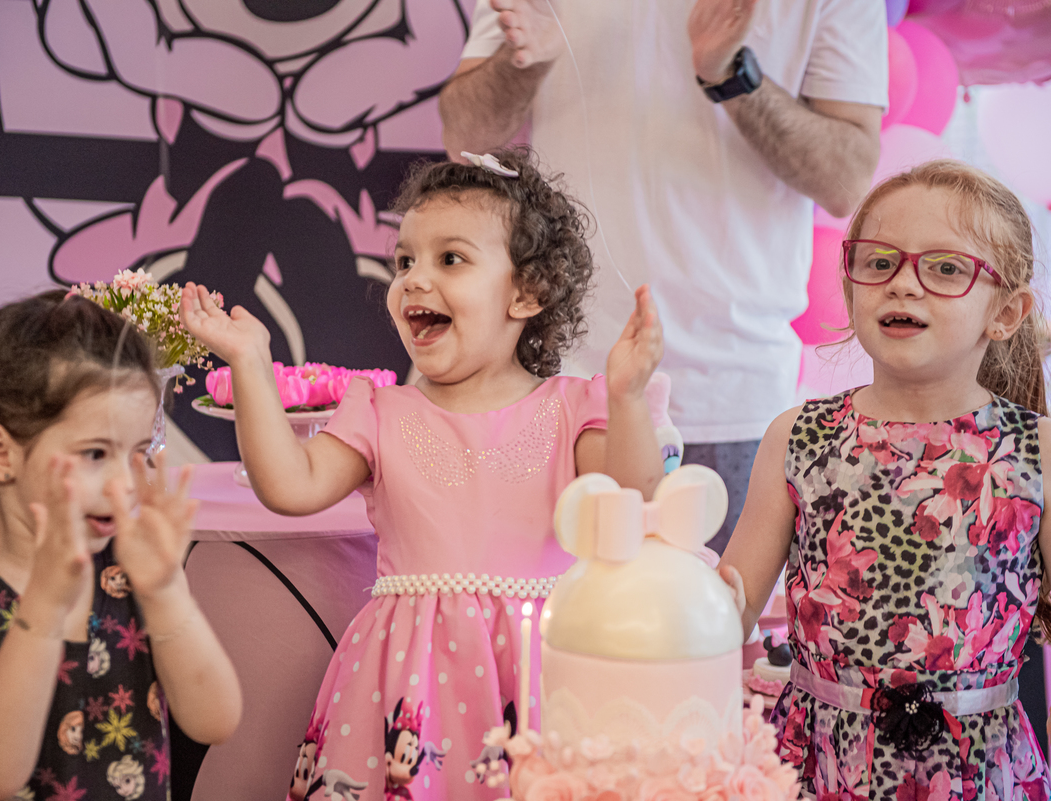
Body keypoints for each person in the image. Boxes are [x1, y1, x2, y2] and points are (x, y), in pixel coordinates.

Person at [179, 147, 665, 800]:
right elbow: (290, 485)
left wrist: (628, 396)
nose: (413, 279)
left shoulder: (572, 406)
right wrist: (250, 359)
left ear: (526, 292)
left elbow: (630, 498)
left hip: (540, 675)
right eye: (405, 260)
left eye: (450, 259)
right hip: (405, 685)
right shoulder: (381, 411)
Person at [439, 0, 888, 552]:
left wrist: (730, 74)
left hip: (732, 397)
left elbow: (846, 177)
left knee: (717, 635)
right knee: (549, 633)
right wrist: (524, 57)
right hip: (559, 385)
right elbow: (464, 136)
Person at [719, 161, 1051, 798]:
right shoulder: (800, 436)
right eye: (878, 262)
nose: (903, 285)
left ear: (1006, 313)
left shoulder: (1035, 450)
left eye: (945, 268)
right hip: (817, 764)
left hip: (978, 774)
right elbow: (725, 612)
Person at [0, 290, 241, 800]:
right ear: (0, 455)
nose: (123, 485)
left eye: (136, 453)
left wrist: (168, 590)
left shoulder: (132, 576)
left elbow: (216, 721)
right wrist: (45, 601)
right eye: (94, 454)